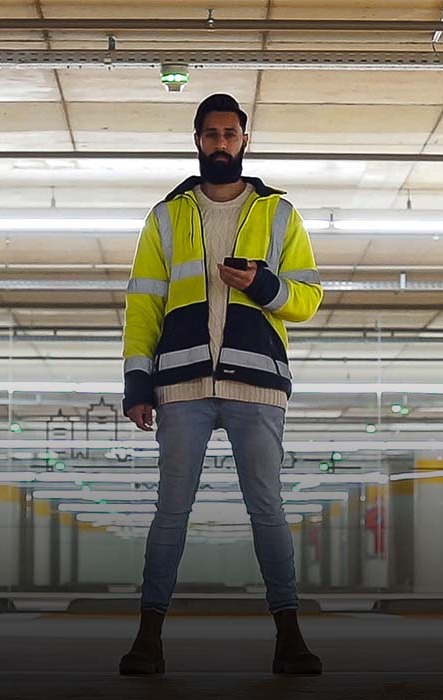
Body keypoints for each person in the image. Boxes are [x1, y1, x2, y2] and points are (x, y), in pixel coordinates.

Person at [119, 93, 323, 676]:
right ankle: (148, 638)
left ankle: (289, 635)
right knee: (170, 512)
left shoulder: (280, 214)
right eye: (211, 134)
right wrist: (138, 383)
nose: (221, 143)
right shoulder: (166, 215)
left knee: (267, 508)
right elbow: (143, 305)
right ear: (197, 142)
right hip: (180, 383)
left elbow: (308, 299)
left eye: (230, 134)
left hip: (256, 383)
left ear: (244, 140)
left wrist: (263, 287)